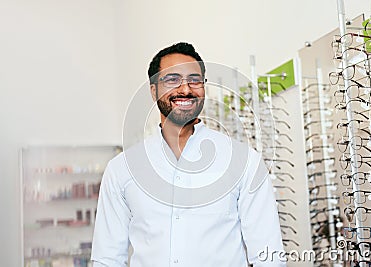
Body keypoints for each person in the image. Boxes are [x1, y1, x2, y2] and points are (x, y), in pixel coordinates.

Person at [91, 42, 285, 266]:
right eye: (172, 79)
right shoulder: (122, 169)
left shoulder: (244, 161)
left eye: (194, 80)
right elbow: (107, 258)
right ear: (153, 90)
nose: (185, 89)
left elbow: (268, 255)